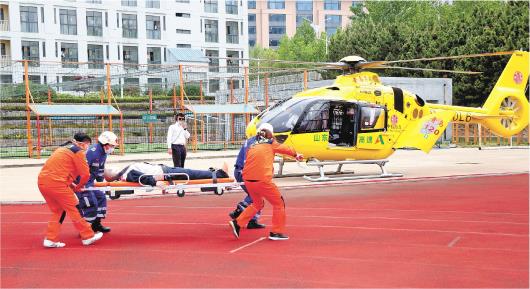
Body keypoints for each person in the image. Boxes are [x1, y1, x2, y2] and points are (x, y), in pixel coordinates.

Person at [229, 123, 303, 241]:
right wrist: (296, 155)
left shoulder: (252, 144)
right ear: (271, 134)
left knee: (257, 204)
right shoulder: (271, 143)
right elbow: (285, 149)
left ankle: (238, 223)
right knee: (279, 203)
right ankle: (276, 232)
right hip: (262, 179)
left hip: (247, 179)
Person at [37, 132, 103, 248]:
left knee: (58, 211)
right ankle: (88, 236)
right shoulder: (78, 152)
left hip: (43, 182)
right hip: (57, 184)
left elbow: (60, 170)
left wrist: (71, 185)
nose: (88, 146)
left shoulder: (62, 149)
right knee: (75, 208)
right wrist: (78, 187)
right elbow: (85, 174)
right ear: (82, 144)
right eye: (87, 143)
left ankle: (50, 239)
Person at [76, 131, 118, 233]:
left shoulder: (103, 153)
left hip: (89, 182)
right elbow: (80, 169)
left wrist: (102, 185)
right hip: (81, 183)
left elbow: (100, 171)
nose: (113, 148)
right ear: (105, 144)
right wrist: (81, 185)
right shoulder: (92, 152)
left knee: (101, 197)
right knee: (91, 202)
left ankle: (96, 225)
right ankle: (85, 230)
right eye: (112, 145)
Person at [228, 134, 266, 230]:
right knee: (257, 194)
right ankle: (240, 209)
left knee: (257, 195)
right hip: (243, 171)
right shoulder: (252, 143)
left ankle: (252, 219)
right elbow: (248, 160)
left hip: (245, 170)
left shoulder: (255, 141)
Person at [103, 162, 230, 186]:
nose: (113, 167)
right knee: (190, 173)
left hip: (163, 169)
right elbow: (144, 178)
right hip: (164, 173)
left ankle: (214, 173)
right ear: (112, 174)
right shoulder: (127, 174)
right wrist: (157, 182)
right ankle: (219, 174)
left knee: (190, 172)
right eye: (110, 169)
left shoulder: (126, 172)